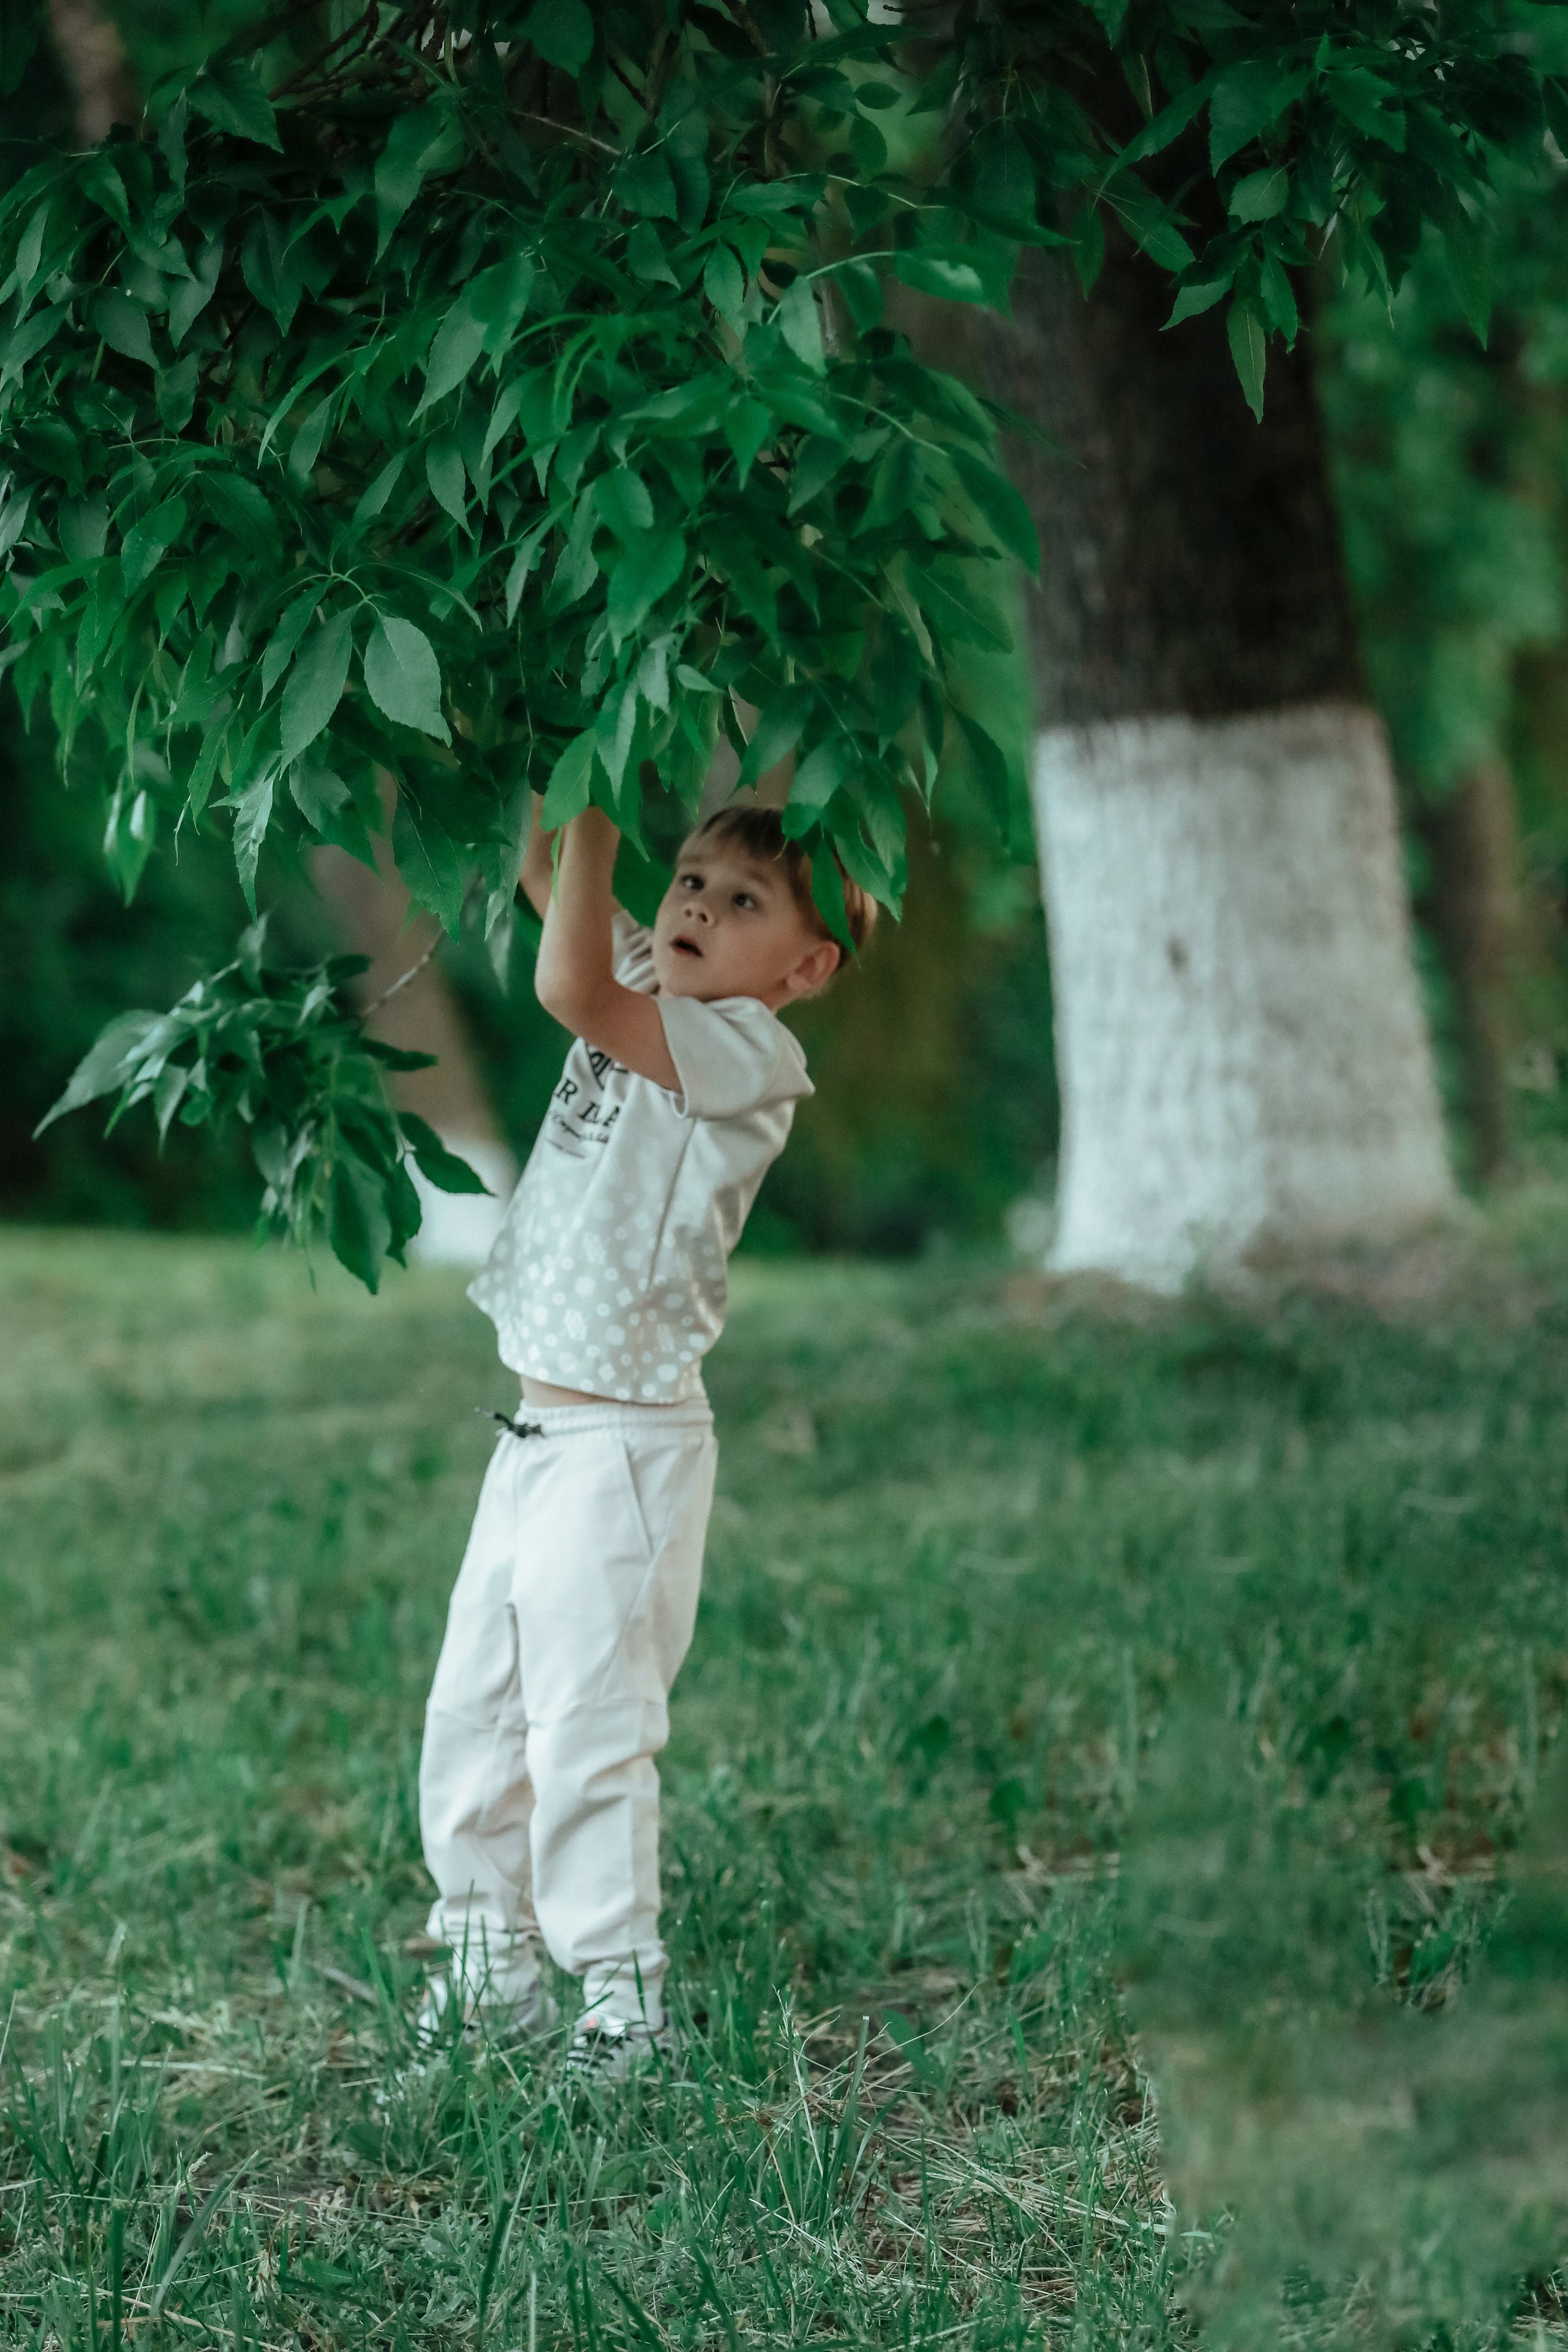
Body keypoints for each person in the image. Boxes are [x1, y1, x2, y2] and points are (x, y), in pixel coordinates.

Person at [417, 796, 876, 2077]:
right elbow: (543, 873)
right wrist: (547, 766)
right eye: (688, 882)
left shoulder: (738, 1051)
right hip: (535, 1440)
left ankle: (621, 2010)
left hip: (623, 1453)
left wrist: (601, 826)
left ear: (802, 969)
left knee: (587, 1727)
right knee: (475, 1716)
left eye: (741, 904)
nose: (692, 910)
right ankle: (482, 1971)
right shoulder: (654, 981)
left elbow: (566, 978)